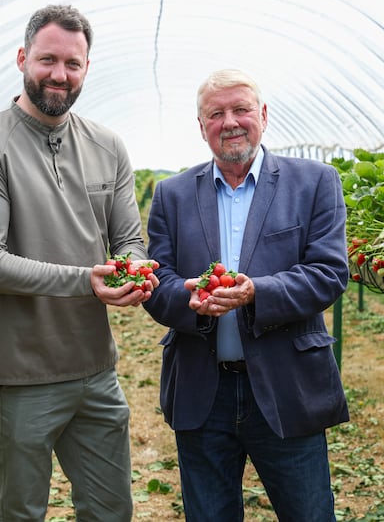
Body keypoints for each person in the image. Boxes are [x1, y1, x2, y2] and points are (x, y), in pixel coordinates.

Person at [0, 4, 157, 522]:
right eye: (47, 60)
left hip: (95, 368)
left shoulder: (107, 146)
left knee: (111, 510)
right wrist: (87, 281)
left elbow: (129, 237)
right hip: (22, 373)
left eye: (73, 63)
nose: (59, 74)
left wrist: (134, 269)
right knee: (22, 512)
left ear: (87, 68)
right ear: (23, 58)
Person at [142, 68, 350, 521]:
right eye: (216, 114)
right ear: (202, 127)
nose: (230, 122)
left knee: (308, 514)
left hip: (286, 383)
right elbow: (159, 284)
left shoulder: (314, 182)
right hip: (203, 389)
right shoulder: (172, 194)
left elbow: (329, 272)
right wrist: (189, 299)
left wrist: (257, 292)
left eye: (241, 109)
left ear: (264, 115)